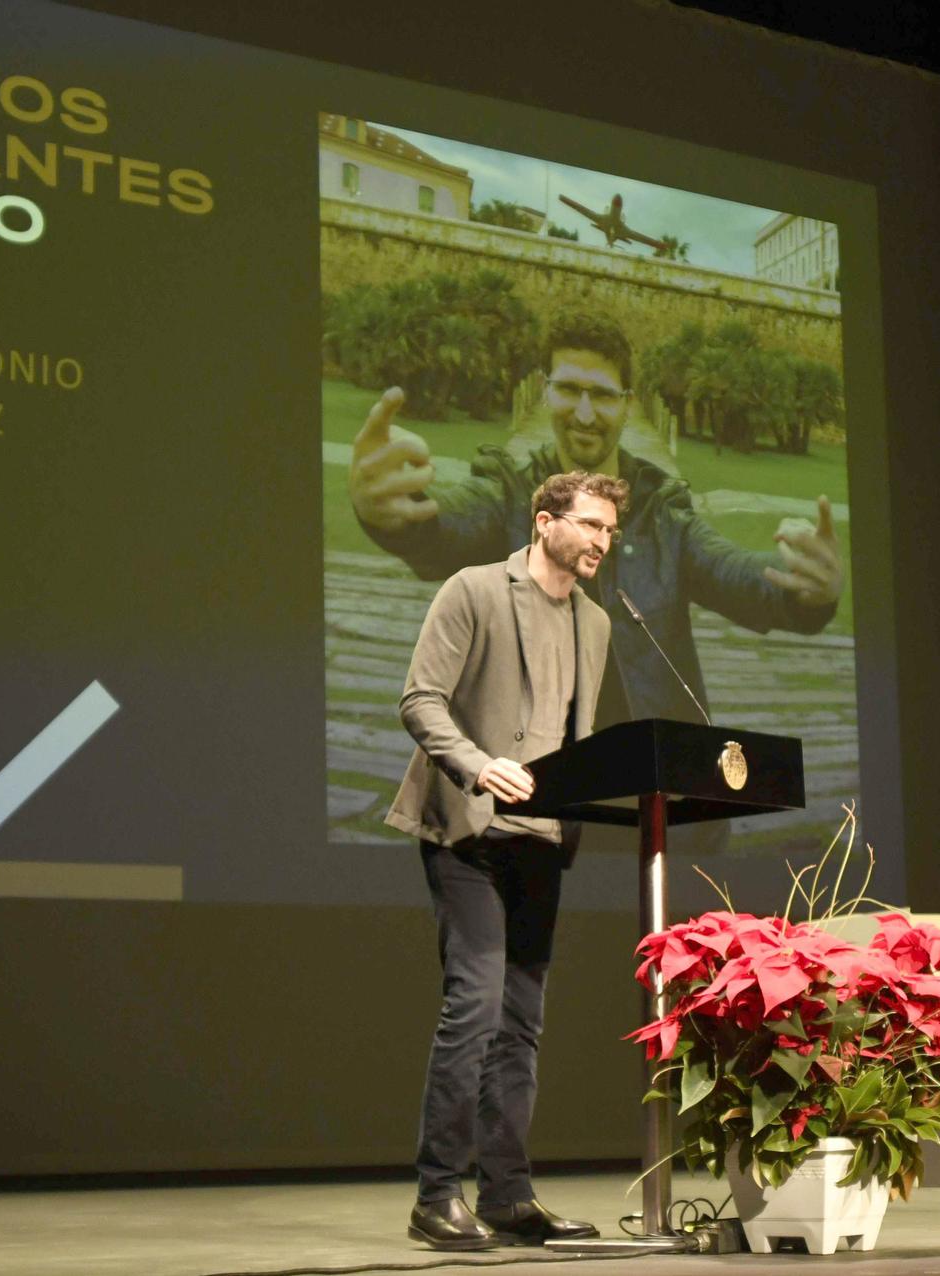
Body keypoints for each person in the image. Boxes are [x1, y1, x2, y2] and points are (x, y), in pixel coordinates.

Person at [348, 307, 843, 741]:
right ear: (546, 392)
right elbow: (446, 528)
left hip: (645, 792)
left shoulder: (661, 512)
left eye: (602, 396)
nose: (584, 414)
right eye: (568, 390)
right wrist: (394, 515)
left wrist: (803, 588)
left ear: (628, 404)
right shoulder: (509, 493)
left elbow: (733, 572)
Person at [392, 470, 627, 1251]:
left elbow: (575, 733)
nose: (600, 541)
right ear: (543, 521)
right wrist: (476, 762)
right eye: (589, 525)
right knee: (477, 1003)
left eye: (609, 531)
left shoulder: (595, 623)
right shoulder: (472, 589)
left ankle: (508, 1195)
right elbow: (421, 699)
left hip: (542, 840)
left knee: (522, 1023)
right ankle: (436, 1196)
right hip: (465, 829)